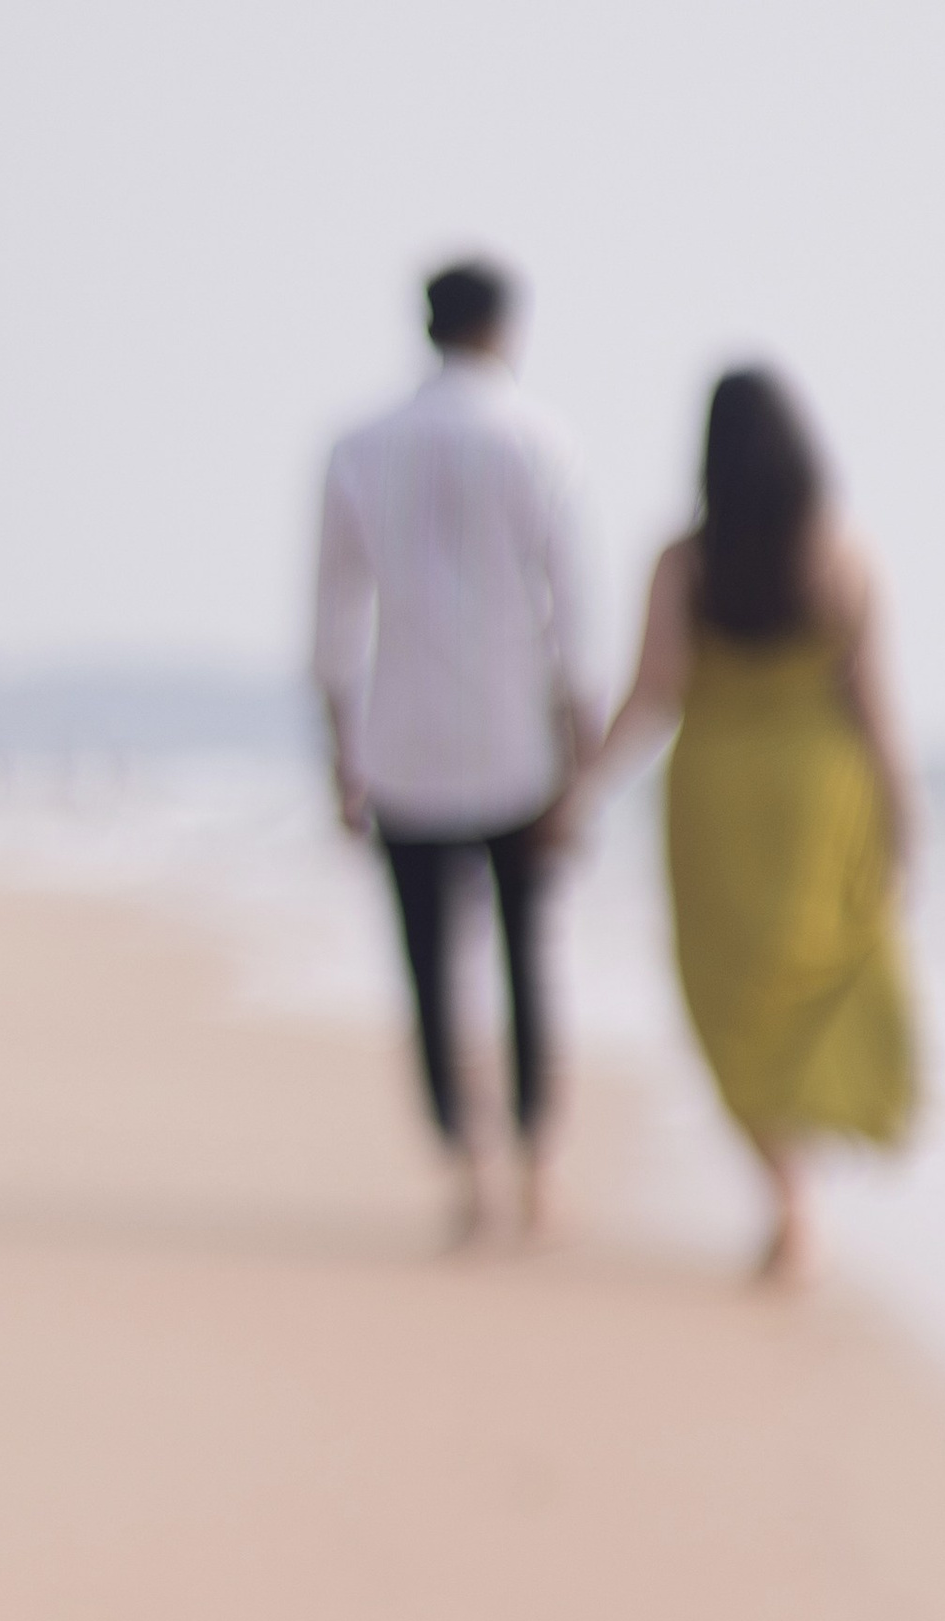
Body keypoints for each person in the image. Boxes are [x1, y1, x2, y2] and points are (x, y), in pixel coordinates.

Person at [555, 368, 920, 1285]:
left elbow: (652, 693)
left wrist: (580, 787)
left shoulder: (685, 561)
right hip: (820, 796)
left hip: (715, 796)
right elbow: (876, 711)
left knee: (726, 999)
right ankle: (801, 1189)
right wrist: (903, 826)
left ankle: (787, 1190)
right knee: (813, 981)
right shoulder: (842, 555)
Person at [313, 260, 602, 1245]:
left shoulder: (357, 446)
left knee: (430, 966)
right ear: (504, 328)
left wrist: (337, 755)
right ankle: (536, 1158)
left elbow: (332, 624)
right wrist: (583, 761)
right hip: (515, 741)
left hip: (401, 741)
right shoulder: (541, 439)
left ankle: (467, 1162)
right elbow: (575, 621)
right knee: (528, 958)